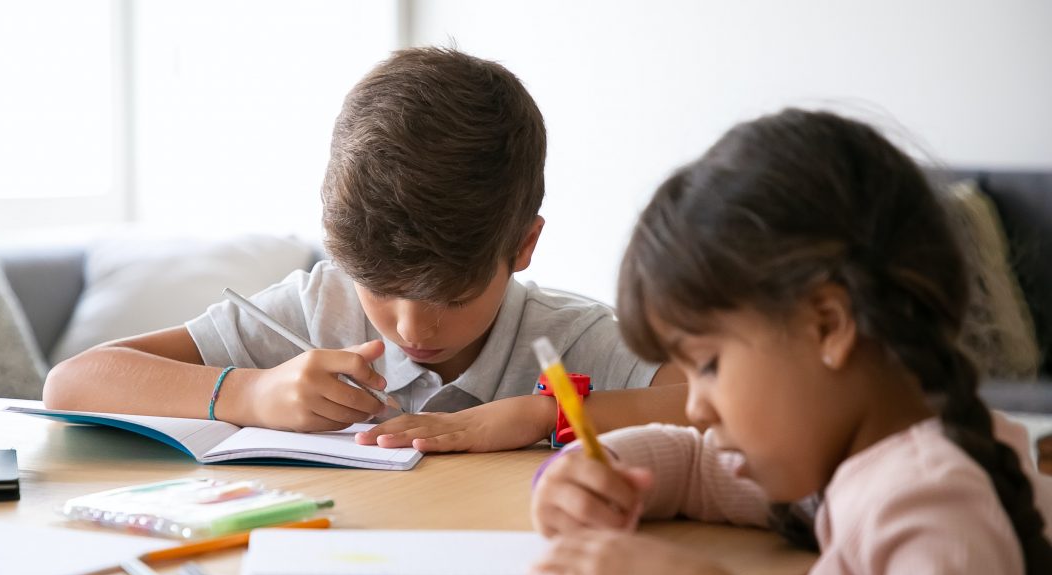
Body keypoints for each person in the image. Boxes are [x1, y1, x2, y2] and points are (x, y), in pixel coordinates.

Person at [527, 109, 1052, 575]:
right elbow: (698, 466)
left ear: (827, 326)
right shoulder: (851, 460)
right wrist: (586, 472)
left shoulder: (930, 502)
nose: (695, 403)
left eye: (707, 364)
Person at [43, 47, 685, 447]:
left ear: (523, 246)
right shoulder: (316, 310)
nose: (412, 327)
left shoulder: (570, 340)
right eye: (379, 286)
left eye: (452, 294)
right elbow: (73, 382)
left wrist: (544, 416)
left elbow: (721, 408)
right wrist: (249, 394)